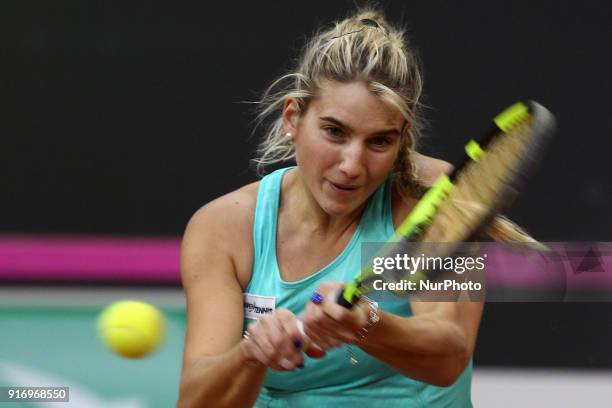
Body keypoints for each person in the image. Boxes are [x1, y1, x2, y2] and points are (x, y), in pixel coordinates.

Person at [177, 7, 533, 408]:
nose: (351, 166)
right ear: (293, 118)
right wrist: (251, 354)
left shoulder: (440, 197)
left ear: (402, 138)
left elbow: (449, 355)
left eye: (379, 141)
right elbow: (196, 402)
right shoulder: (223, 227)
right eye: (334, 132)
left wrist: (367, 325)